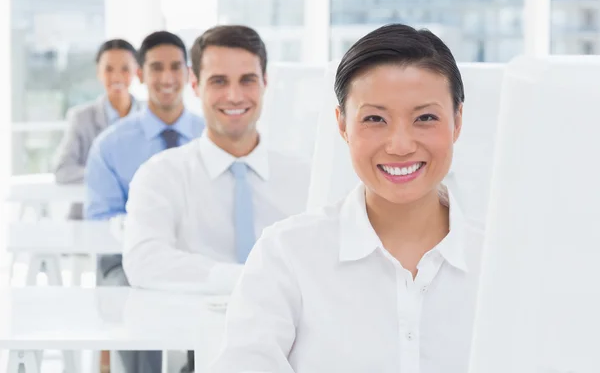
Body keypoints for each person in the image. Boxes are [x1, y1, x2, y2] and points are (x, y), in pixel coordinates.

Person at [208, 24, 484, 373]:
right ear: (342, 125)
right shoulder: (287, 254)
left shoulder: (498, 263)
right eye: (375, 119)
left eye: (425, 118)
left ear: (457, 120)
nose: (400, 145)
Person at [122, 25, 310, 372]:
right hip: (199, 353)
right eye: (219, 81)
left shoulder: (305, 177)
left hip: (298, 352)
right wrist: (247, 279)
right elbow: (143, 260)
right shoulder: (161, 174)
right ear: (195, 85)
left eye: (247, 80)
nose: (235, 96)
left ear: (265, 83)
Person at [84, 30, 204, 373]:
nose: (166, 78)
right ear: (140, 74)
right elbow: (101, 222)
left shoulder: (210, 135)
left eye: (175, 67)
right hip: (127, 259)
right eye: (156, 68)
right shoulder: (110, 145)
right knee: (135, 302)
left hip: (199, 253)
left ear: (188, 74)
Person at [53, 39, 141, 219]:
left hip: (140, 219)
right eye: (109, 69)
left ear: (137, 72)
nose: (116, 77)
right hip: (88, 220)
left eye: (125, 69)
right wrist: (109, 176)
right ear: (99, 72)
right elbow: (63, 170)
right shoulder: (81, 118)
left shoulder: (150, 116)